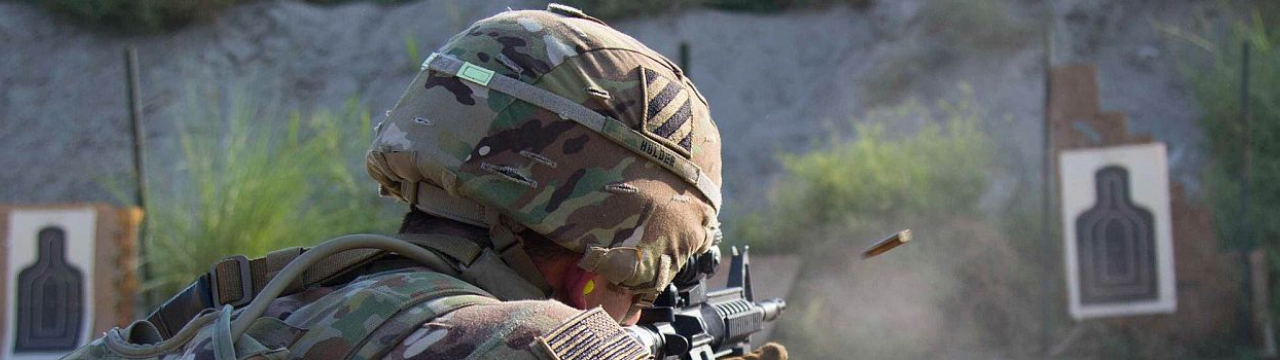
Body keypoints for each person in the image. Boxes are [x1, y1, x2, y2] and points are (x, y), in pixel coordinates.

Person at [66, 4, 785, 359]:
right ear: (594, 266)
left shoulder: (251, 314)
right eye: (642, 291)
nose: (636, 313)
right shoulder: (539, 345)